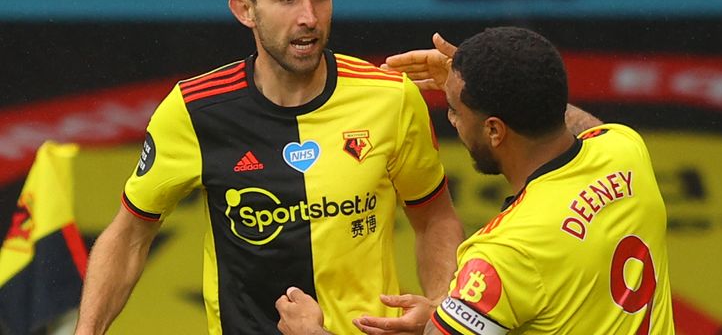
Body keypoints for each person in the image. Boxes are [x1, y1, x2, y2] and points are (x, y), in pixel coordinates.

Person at [74, 0, 464, 335]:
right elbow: (130, 235)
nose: (309, 17)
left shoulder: (390, 96)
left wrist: (442, 311)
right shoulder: (194, 110)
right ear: (245, 11)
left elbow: (435, 217)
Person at [275, 26, 675, 334]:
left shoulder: (503, 253)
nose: (451, 119)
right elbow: (570, 118)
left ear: (495, 131)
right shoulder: (624, 151)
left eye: (454, 110)